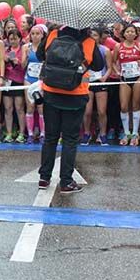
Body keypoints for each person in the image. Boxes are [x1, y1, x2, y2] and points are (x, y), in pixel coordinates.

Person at [36, 23, 105, 194]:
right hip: (75, 95)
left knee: (50, 138)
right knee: (70, 139)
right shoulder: (88, 41)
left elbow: (39, 55)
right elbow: (97, 65)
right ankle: (66, 181)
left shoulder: (53, 34)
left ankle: (44, 178)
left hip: (51, 92)